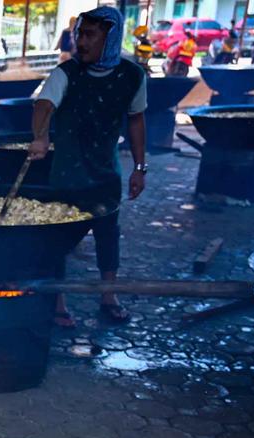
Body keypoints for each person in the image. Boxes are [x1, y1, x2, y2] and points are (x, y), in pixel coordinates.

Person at [29, 6, 147, 326]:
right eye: (80, 33)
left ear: (111, 39)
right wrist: (40, 136)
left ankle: (109, 295)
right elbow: (44, 106)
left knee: (108, 234)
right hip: (67, 174)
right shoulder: (66, 73)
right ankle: (58, 301)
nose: (81, 41)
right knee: (58, 239)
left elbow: (136, 120)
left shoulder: (132, 76)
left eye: (90, 35)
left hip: (106, 173)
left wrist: (140, 167)